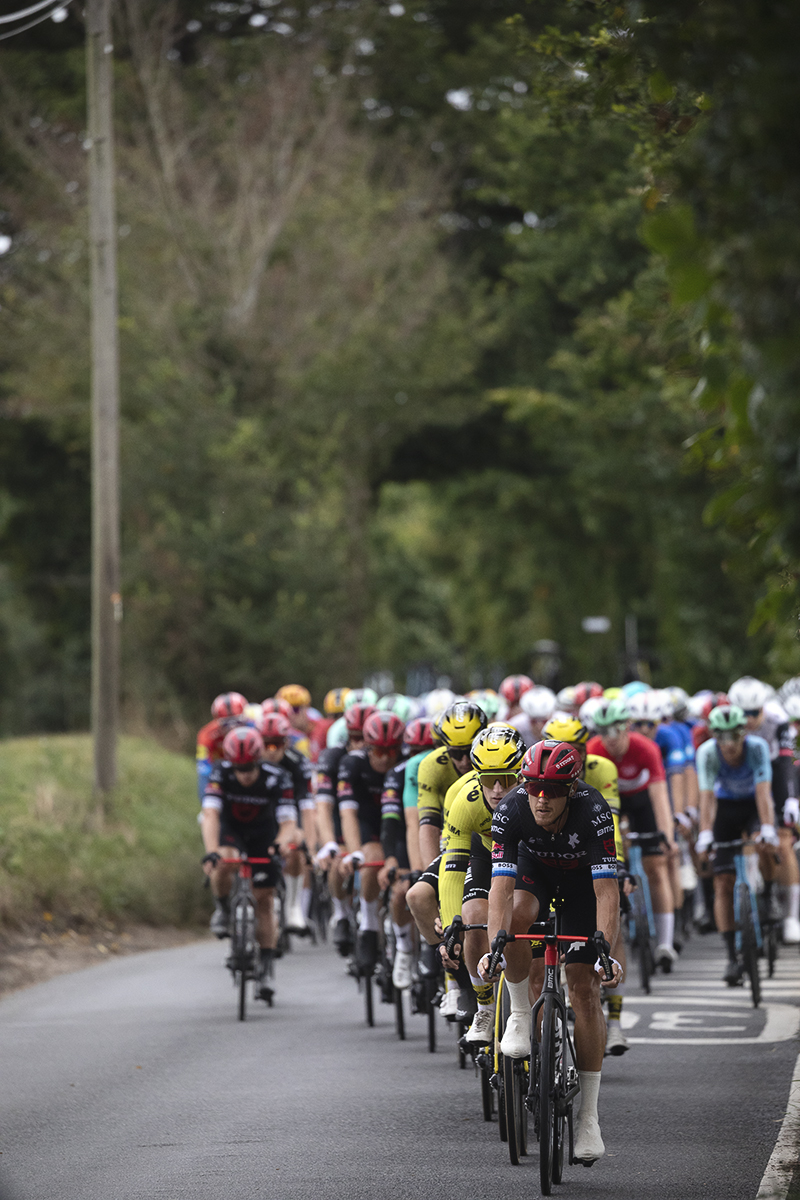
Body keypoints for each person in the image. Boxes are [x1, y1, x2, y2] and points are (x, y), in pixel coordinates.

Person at [479, 739, 621, 1164]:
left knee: (583, 989)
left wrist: (604, 951)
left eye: (553, 789)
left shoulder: (595, 812)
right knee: (517, 917)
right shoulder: (512, 809)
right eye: (534, 786)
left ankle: (588, 1119)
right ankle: (521, 1014)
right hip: (535, 874)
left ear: (572, 789)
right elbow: (500, 889)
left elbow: (606, 893)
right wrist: (494, 946)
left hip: (581, 889)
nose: (542, 798)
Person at [543, 714, 628, 1056]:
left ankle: (617, 1016)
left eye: (577, 747)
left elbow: (613, 825)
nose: (569, 753)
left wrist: (618, 866)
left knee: (614, 907)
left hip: (595, 847)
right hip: (552, 862)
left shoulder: (602, 768)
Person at [437, 723, 527, 1044]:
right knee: (474, 916)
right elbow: (453, 867)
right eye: (489, 779)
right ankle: (485, 1008)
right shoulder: (464, 801)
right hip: (485, 855)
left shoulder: (537, 797)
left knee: (524, 920)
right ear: (477, 776)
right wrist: (451, 926)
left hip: (527, 857)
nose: (499, 789)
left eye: (508, 777)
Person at [200, 726, 302, 1000]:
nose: (244, 775)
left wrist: (281, 843)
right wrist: (211, 851)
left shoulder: (278, 777)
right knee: (224, 860)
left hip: (264, 834)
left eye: (250, 768)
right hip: (231, 829)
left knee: (264, 901)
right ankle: (222, 908)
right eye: (239, 768)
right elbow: (210, 814)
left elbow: (288, 821)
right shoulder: (220, 773)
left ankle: (266, 968)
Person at [407, 699, 488, 1016]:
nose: (465, 760)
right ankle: (453, 977)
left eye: (470, 750)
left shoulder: (498, 757)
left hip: (492, 846)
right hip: (453, 843)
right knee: (419, 896)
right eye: (456, 753)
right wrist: (435, 880)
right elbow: (427, 825)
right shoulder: (431, 766)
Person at [587, 697, 679, 970]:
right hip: (610, 803)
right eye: (603, 731)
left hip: (642, 803)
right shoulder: (594, 750)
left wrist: (668, 837)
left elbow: (660, 797)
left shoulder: (646, 749)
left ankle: (665, 942)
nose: (610, 738)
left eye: (615, 729)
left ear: (627, 727)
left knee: (656, 866)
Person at [695, 704, 782, 983]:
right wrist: (705, 833)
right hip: (725, 809)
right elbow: (707, 797)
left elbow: (764, 793)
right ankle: (732, 957)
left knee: (764, 843)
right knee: (722, 881)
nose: (729, 744)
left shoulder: (757, 748)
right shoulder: (707, 753)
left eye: (734, 736)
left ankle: (767, 893)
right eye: (722, 736)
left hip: (754, 806)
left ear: (744, 734)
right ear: (714, 736)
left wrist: (767, 828)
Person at [728, 677, 800, 943]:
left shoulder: (778, 722)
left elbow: (785, 764)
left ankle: (791, 916)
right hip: (744, 787)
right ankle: (752, 891)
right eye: (742, 713)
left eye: (754, 713)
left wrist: (790, 800)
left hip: (775, 783)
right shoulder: (726, 722)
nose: (747, 720)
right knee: (748, 842)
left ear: (764, 708)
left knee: (782, 843)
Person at [337, 710, 405, 973]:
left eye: (392, 751)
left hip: (398, 823)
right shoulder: (351, 764)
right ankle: (368, 927)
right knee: (372, 857)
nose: (386, 758)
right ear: (367, 746)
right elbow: (348, 812)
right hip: (367, 822)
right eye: (378, 751)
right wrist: (354, 852)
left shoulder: (406, 764)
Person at [314, 702, 375, 953]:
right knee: (338, 860)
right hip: (341, 813)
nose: (360, 744)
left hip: (371, 814)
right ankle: (341, 913)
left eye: (365, 738)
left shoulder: (383, 754)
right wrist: (328, 843)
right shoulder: (332, 757)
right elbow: (323, 806)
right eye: (354, 738)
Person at [257, 711, 314, 933]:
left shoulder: (297, 763)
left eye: (277, 745)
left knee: (296, 846)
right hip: (260, 814)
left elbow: (307, 808)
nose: (271, 751)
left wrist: (309, 844)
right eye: (266, 744)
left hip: (289, 813)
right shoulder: (250, 761)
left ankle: (293, 906)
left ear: (286, 743)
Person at [195, 692, 248, 801]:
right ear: (217, 721)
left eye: (237, 722)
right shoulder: (207, 734)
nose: (233, 728)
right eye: (226, 724)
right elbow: (203, 765)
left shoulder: (254, 727)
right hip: (220, 771)